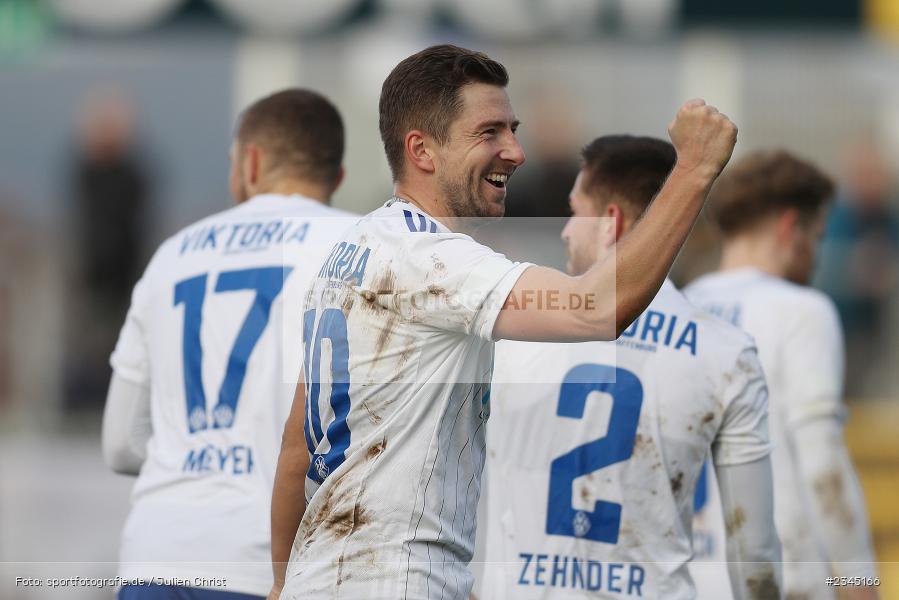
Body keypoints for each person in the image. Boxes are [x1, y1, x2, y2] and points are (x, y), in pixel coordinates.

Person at [270, 44, 738, 600]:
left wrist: (282, 584)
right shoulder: (433, 259)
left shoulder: (349, 252)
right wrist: (693, 171)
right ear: (421, 149)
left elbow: (297, 450)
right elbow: (596, 308)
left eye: (512, 129)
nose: (515, 151)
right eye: (489, 132)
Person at [478, 135, 781, 599]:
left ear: (609, 223)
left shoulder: (511, 337)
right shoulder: (727, 353)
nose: (564, 231)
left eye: (575, 213)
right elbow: (753, 553)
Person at [102, 89, 357, 600]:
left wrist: (197, 458)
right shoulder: (362, 245)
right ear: (337, 177)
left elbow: (121, 443)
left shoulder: (171, 255)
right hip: (276, 567)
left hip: (157, 557)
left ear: (251, 162)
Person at [686, 150, 879, 600]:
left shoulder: (683, 306)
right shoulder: (801, 310)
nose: (816, 255)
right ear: (791, 228)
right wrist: (858, 580)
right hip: (780, 579)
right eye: (818, 235)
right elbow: (823, 464)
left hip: (690, 578)